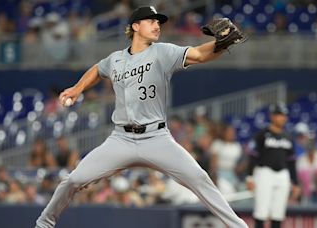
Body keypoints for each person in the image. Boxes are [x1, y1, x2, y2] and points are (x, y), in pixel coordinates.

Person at [35, 6, 247, 228]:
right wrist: (78, 88)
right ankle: (43, 224)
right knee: (74, 180)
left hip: (156, 138)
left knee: (199, 179)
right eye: (151, 21)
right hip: (121, 140)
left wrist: (222, 43)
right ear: (136, 26)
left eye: (159, 22)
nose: (157, 25)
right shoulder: (115, 59)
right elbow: (98, 69)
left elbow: (200, 54)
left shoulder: (163, 52)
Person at [246, 102, 301, 228]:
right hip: (265, 173)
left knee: (278, 213)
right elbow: (253, 157)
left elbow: (291, 162)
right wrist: (249, 177)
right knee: (261, 211)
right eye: (279, 114)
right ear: (272, 116)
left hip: (283, 175)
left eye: (284, 115)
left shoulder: (288, 137)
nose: (282, 118)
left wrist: (296, 183)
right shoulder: (262, 135)